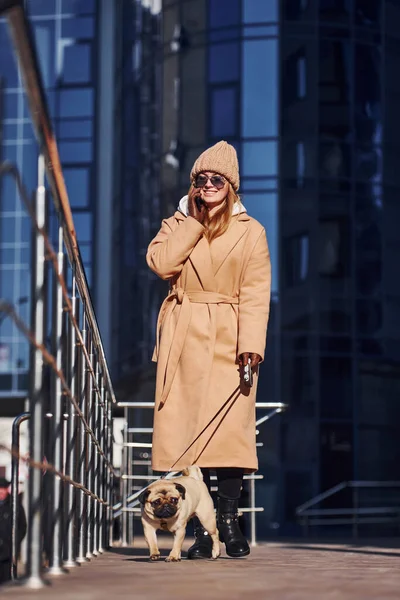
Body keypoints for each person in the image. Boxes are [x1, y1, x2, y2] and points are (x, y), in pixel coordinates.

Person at [146, 140, 271, 559]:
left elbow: (255, 293)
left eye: (218, 179)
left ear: (231, 186)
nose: (209, 184)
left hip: (230, 337)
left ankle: (230, 523)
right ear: (194, 184)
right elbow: (162, 265)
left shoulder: (251, 231)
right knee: (189, 440)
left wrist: (251, 346)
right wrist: (193, 223)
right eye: (202, 179)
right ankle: (202, 532)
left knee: (229, 436)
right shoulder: (177, 222)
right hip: (183, 334)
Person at [0, 477, 27, 583]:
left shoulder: (15, 505)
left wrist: (14, 542)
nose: (1, 492)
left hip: (8, 552)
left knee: (7, 581)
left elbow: (22, 526)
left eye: (3, 489)